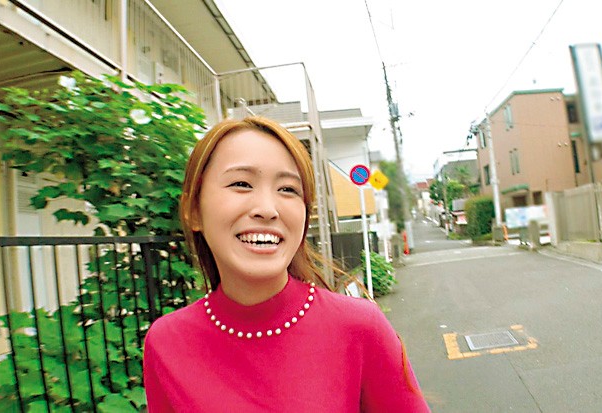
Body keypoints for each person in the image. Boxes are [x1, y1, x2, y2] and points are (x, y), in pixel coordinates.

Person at [143, 116, 430, 412]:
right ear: (193, 210)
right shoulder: (166, 343)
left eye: (288, 189)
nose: (267, 209)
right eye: (241, 184)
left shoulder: (361, 328)